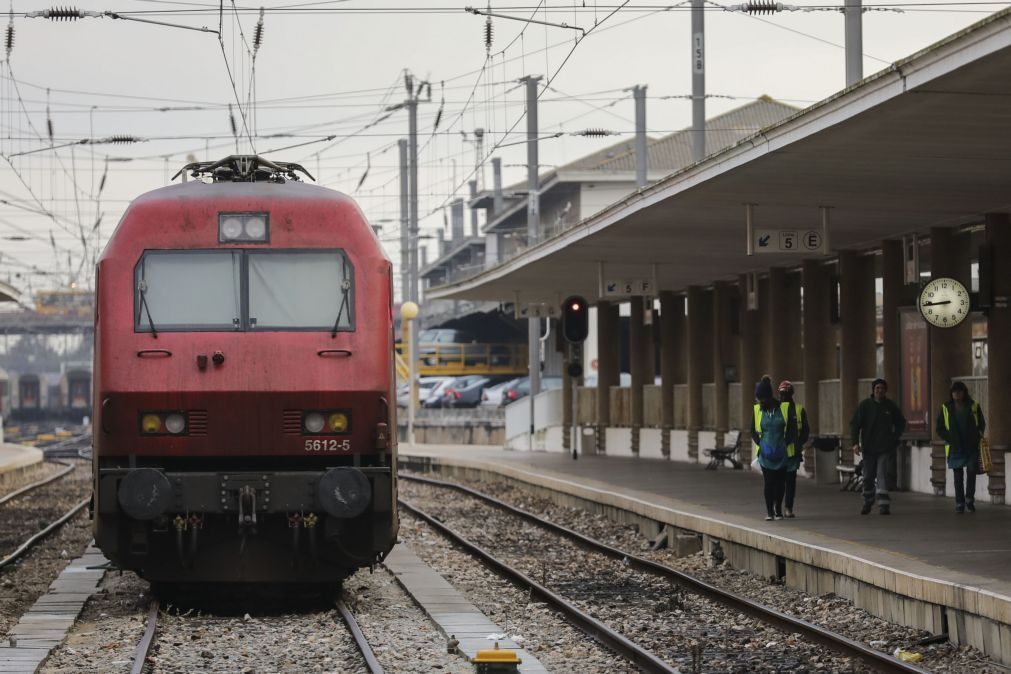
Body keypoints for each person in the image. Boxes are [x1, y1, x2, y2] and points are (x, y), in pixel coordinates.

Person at [850, 378, 906, 515]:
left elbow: (900, 422)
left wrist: (894, 437)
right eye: (877, 388)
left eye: (882, 388)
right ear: (873, 390)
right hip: (869, 447)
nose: (879, 391)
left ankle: (883, 504)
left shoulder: (890, 406)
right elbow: (855, 425)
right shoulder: (865, 406)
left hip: (885, 447)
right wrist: (855, 443)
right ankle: (868, 500)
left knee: (882, 474)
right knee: (868, 475)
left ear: (885, 391)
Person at [936, 381, 986, 513]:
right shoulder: (946, 408)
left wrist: (979, 434)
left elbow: (981, 423)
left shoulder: (973, 406)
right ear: (951, 394)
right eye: (954, 392)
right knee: (958, 476)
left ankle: (969, 499)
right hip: (955, 447)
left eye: (959, 391)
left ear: (964, 393)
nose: (956, 394)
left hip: (971, 446)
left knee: (971, 472)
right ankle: (959, 502)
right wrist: (950, 438)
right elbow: (939, 427)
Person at [752, 375, 797, 521]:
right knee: (769, 482)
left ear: (769, 397)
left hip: (781, 452)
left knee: (780, 483)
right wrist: (760, 443)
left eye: (762, 399)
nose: (760, 402)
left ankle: (778, 507)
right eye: (758, 400)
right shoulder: (758, 410)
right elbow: (752, 429)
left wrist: (785, 443)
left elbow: (792, 429)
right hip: (765, 454)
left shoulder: (783, 409)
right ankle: (769, 511)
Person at [778, 381, 810, 518]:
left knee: (789, 482)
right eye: (782, 394)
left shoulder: (798, 409)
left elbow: (805, 430)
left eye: (786, 393)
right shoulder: (774, 408)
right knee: (781, 482)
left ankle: (787, 508)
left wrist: (798, 442)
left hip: (791, 453)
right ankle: (780, 508)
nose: (784, 396)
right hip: (779, 453)